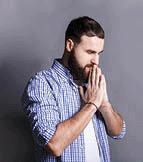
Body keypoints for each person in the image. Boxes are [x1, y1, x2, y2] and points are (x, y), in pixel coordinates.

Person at [22, 16, 126, 162]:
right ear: (70, 45)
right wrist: (92, 105)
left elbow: (118, 132)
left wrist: (104, 106)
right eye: (90, 52)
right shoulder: (42, 83)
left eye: (98, 53)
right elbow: (54, 145)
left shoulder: (91, 83)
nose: (95, 61)